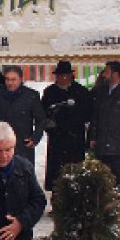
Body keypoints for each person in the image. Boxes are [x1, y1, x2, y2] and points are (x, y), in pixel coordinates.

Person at [90, 60, 120, 214]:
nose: (104, 74)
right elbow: (96, 116)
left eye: (107, 71)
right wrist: (93, 136)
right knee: (104, 179)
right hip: (104, 142)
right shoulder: (103, 91)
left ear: (116, 73)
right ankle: (106, 210)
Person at [42, 60, 92, 191]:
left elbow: (87, 114)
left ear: (71, 76)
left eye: (65, 75)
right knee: (56, 174)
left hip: (75, 139)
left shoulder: (81, 92)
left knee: (75, 174)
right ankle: (56, 200)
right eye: (59, 76)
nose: (62, 79)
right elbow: (43, 114)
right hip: (56, 139)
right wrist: (49, 126)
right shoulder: (50, 92)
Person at [0, 66, 45, 166]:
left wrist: (35, 138)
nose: (10, 83)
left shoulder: (31, 95)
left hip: (23, 144)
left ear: (20, 79)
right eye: (7, 79)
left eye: (13, 79)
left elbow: (40, 120)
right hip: (1, 143)